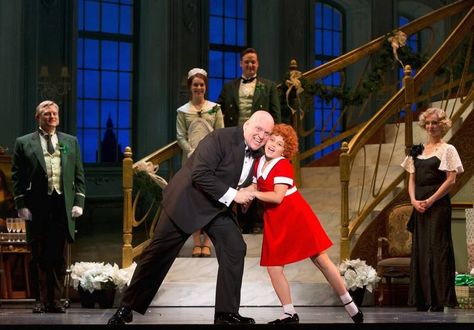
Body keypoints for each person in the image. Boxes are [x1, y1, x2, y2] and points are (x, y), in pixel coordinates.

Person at [107, 111, 275, 325]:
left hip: (217, 207)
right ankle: (126, 307)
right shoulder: (218, 138)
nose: (261, 136)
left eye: (267, 133)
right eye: (258, 129)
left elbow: (247, 176)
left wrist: (250, 187)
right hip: (187, 201)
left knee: (235, 248)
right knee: (157, 254)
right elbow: (200, 174)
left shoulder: (259, 154)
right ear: (247, 124)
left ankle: (225, 313)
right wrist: (236, 195)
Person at [243, 124, 363, 324]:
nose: (273, 145)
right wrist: (245, 192)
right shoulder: (259, 161)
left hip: (295, 216)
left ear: (285, 150)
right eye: (272, 139)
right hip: (275, 220)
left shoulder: (282, 165)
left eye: (279, 144)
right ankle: (289, 313)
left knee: (321, 260)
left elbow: (277, 197)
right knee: (273, 267)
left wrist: (253, 194)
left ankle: (350, 304)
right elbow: (256, 183)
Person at [11, 100, 86, 313]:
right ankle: (39, 300)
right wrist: (21, 204)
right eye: (47, 114)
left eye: (54, 113)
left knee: (58, 255)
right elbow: (16, 176)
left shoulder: (71, 141)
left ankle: (56, 300)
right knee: (38, 255)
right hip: (37, 206)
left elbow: (79, 174)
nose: (52, 116)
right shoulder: (23, 142)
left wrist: (78, 202)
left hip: (62, 205)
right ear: (38, 117)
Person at [401, 107, 463, 312]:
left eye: (435, 123)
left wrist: (431, 199)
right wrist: (413, 200)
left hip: (437, 205)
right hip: (419, 205)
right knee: (421, 249)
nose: (430, 126)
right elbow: (411, 179)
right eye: (427, 123)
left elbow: (451, 180)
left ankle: (438, 300)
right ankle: (422, 298)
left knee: (437, 250)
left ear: (442, 125)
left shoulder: (448, 149)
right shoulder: (417, 150)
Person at [217, 48, 281, 234]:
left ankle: (257, 221)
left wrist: (274, 141)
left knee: (258, 176)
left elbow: (276, 114)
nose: (250, 65)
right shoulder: (229, 87)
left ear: (258, 64)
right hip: (236, 138)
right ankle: (239, 221)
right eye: (247, 62)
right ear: (240, 64)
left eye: (253, 62)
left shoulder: (268, 86)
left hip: (261, 139)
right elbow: (218, 111)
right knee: (238, 175)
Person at [176, 68, 224, 258]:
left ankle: (209, 241)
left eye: (202, 84)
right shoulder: (183, 111)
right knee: (194, 200)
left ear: (206, 87)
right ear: (190, 87)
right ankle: (196, 241)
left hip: (212, 160)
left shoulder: (215, 108)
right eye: (195, 84)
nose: (199, 87)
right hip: (191, 159)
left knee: (211, 199)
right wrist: (191, 151)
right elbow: (180, 136)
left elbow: (220, 133)